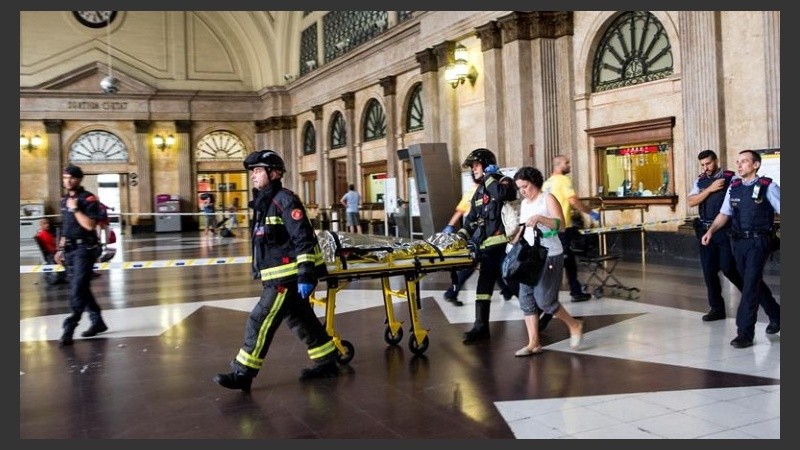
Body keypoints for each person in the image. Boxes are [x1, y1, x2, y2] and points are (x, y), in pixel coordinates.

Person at [214, 149, 338, 392]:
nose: (253, 176)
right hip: (276, 274)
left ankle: (243, 372)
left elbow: (302, 237)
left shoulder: (284, 200)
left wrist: (305, 272)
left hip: (287, 276)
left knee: (259, 320)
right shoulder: (264, 203)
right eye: (252, 171)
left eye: (258, 170)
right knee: (301, 320)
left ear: (275, 173)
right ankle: (327, 361)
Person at [701, 150, 780, 348]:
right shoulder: (734, 187)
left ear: (756, 165)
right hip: (739, 243)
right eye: (738, 162)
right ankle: (777, 315)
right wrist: (711, 231)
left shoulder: (768, 187)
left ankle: (744, 333)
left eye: (744, 161)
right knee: (751, 282)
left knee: (750, 285)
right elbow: (724, 214)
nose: (739, 165)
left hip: (759, 242)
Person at [511, 166, 584, 356]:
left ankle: (574, 325)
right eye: (520, 188)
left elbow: (561, 225)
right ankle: (534, 342)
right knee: (526, 298)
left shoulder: (547, 199)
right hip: (529, 256)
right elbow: (524, 227)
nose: (523, 191)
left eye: (525, 186)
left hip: (550, 254)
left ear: (534, 183)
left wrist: (541, 218)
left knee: (545, 300)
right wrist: (514, 239)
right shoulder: (525, 204)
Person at [454, 148, 517, 344]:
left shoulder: (501, 181)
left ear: (486, 164)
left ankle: (543, 310)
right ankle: (481, 327)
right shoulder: (479, 192)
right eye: (472, 167)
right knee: (485, 287)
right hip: (486, 249)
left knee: (514, 283)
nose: (473, 169)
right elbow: (471, 218)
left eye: (476, 165)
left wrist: (490, 176)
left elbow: (504, 194)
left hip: (502, 248)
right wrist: (461, 236)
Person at [53, 165, 108, 346]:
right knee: (82, 287)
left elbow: (90, 225)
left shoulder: (88, 199)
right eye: (65, 178)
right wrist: (60, 249)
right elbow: (66, 226)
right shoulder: (63, 200)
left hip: (85, 249)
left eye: (71, 178)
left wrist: (76, 209)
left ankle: (69, 327)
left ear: (79, 179)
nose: (67, 181)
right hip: (69, 249)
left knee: (77, 288)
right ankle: (97, 321)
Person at [687, 149, 743, 321]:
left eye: (708, 163)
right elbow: (691, 201)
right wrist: (710, 189)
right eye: (703, 165)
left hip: (724, 231)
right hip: (704, 231)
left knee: (728, 268)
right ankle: (717, 309)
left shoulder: (730, 178)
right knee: (709, 271)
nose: (706, 168)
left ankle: (750, 295)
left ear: (716, 161)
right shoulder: (701, 180)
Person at [442, 181, 516, 306]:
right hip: (478, 235)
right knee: (474, 266)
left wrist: (450, 225)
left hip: (479, 235)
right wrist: (451, 226)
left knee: (491, 265)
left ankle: (506, 290)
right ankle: (451, 293)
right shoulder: (481, 191)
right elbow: (463, 212)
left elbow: (460, 211)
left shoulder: (475, 190)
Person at [542, 155, 600, 303]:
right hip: (562, 227)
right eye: (566, 163)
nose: (569, 165)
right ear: (558, 165)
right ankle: (574, 291)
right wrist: (590, 212)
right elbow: (573, 200)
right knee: (566, 259)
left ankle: (573, 289)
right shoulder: (563, 180)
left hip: (550, 227)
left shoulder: (547, 183)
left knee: (563, 259)